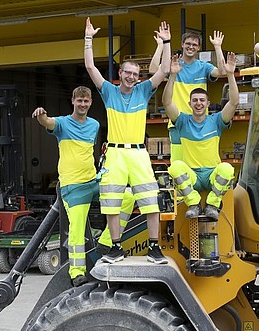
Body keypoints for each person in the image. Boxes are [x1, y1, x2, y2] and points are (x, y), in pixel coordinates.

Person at [83, 17, 170, 263]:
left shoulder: (144, 90)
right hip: (115, 153)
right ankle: (116, 247)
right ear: (120, 74)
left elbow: (163, 70)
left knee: (151, 201)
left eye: (135, 74)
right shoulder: (109, 91)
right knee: (111, 202)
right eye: (128, 73)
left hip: (139, 153)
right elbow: (90, 67)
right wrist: (88, 38)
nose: (132, 77)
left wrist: (166, 43)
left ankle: (154, 248)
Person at [33, 87, 101, 286]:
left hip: (93, 181)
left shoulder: (95, 125)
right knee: (77, 230)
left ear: (90, 103)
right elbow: (47, 122)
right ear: (73, 101)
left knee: (126, 197)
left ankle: (105, 243)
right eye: (79, 100)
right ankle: (77, 272)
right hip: (73, 187)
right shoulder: (63, 124)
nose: (82, 104)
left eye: (85, 101)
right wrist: (40, 115)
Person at [163, 49, 239, 220]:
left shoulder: (216, 120)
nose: (198, 103)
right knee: (174, 167)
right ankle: (194, 203)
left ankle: (212, 204)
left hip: (212, 173)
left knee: (227, 168)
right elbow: (167, 102)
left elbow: (234, 102)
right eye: (195, 100)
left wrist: (230, 75)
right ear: (189, 103)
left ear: (208, 103)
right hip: (193, 175)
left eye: (202, 100)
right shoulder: (182, 121)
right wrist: (173, 76)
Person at [169, 30, 235, 161]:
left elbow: (222, 71)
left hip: (200, 123)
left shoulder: (203, 67)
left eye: (194, 44)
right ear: (182, 44)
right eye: (188, 43)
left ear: (198, 48)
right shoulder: (174, 66)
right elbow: (153, 70)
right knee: (178, 166)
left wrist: (217, 46)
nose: (191, 47)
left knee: (200, 163)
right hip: (178, 121)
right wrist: (163, 44)